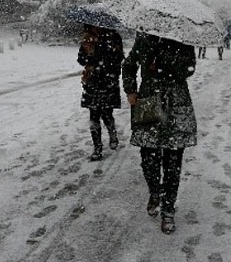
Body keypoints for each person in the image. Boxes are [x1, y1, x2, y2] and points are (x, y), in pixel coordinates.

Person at [122, 33, 197, 234]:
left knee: (173, 160)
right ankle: (155, 191)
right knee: (148, 157)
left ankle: (169, 210)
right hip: (149, 102)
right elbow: (128, 65)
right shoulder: (144, 38)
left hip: (176, 105)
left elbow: (189, 69)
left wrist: (163, 60)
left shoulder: (183, 39)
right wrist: (130, 90)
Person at [77, 24, 124, 161]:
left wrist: (102, 54)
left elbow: (118, 59)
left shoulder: (114, 38)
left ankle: (112, 134)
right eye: (93, 26)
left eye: (98, 26)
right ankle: (97, 148)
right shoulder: (87, 39)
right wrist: (91, 58)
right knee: (93, 115)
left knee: (107, 113)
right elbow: (81, 59)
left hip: (108, 81)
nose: (96, 28)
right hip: (91, 82)